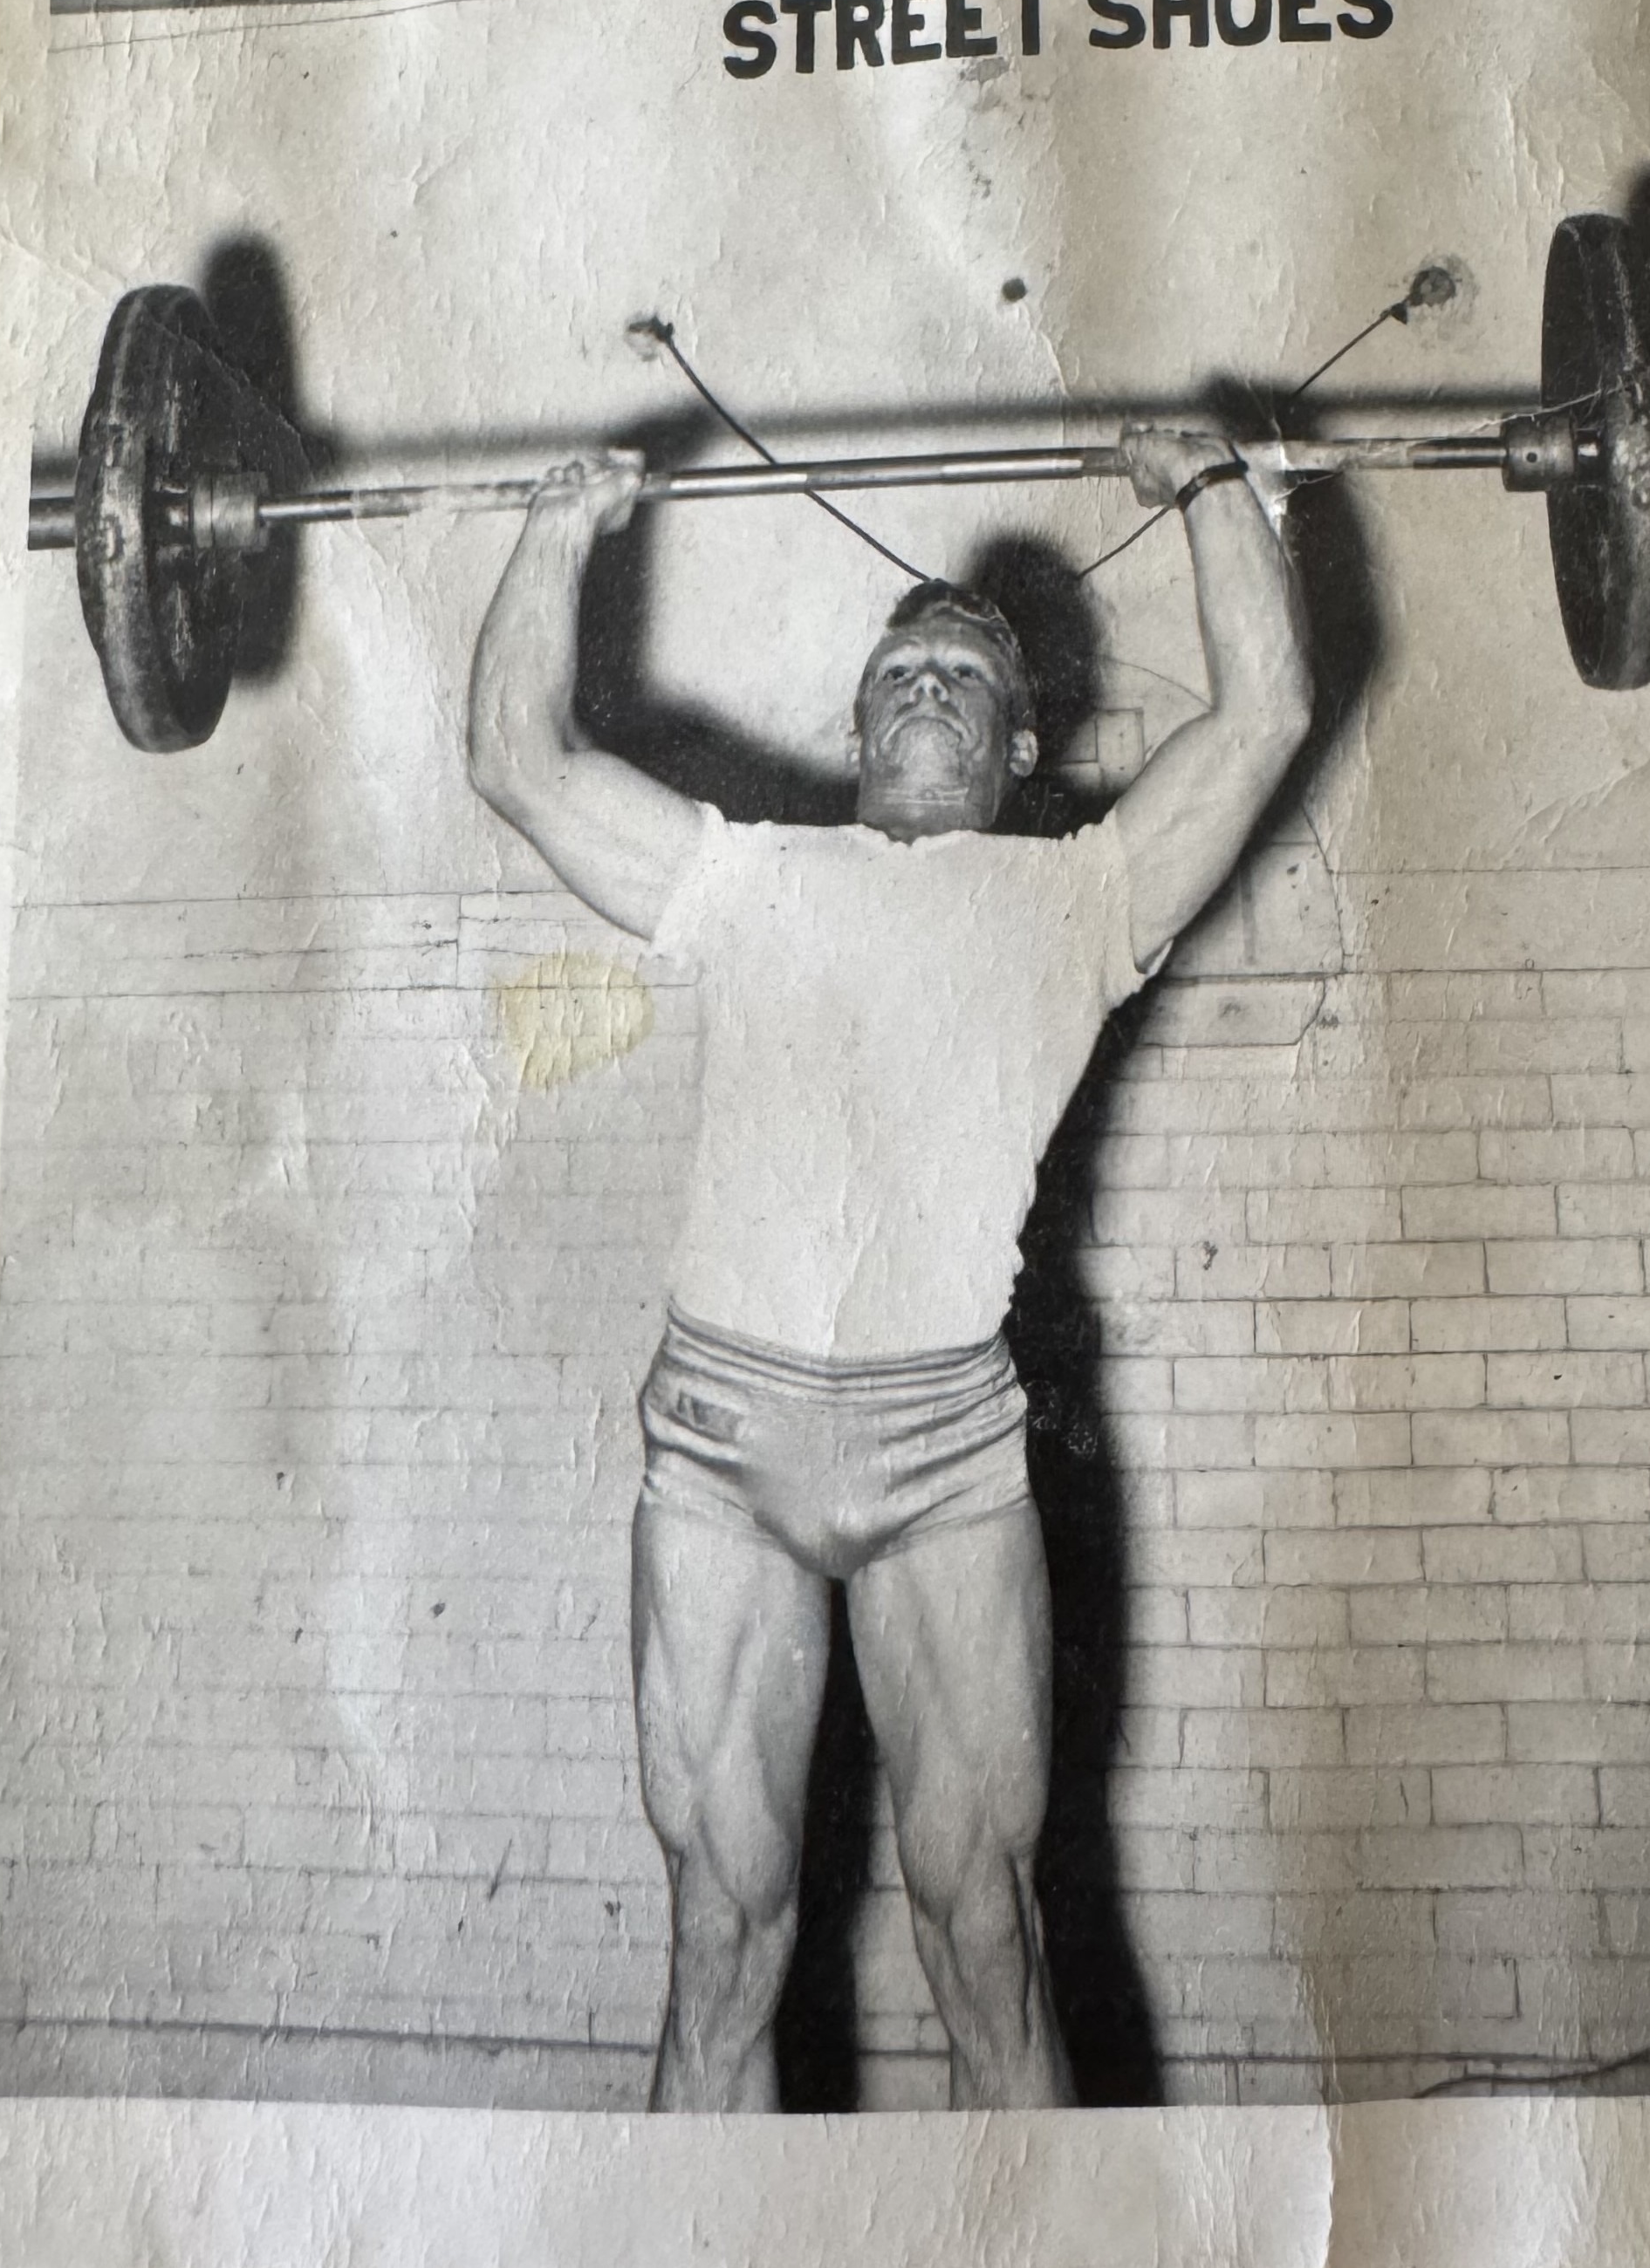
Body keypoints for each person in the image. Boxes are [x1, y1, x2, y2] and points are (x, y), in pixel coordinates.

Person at [466, 427, 1311, 2111]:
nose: (926, 682)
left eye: (964, 672)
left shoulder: (1084, 898)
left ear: (1020, 743)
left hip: (947, 1460)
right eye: (899, 669)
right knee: (723, 1934)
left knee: (981, 1928)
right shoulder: (745, 874)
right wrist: (558, 525)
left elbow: (1269, 714)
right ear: (858, 728)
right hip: (722, 1445)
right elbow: (517, 761)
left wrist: (1216, 492)